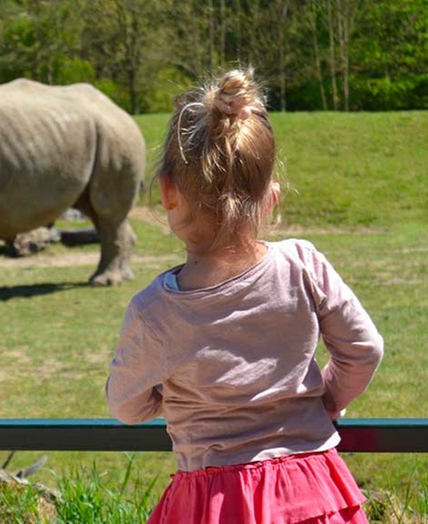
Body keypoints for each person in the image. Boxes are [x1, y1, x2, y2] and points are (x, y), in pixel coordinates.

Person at [105, 69, 384, 524]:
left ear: (168, 193)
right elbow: (365, 349)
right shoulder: (302, 265)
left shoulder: (155, 311)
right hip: (313, 487)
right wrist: (326, 401)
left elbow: (124, 405)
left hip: (215, 502)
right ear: (271, 196)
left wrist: (169, 398)